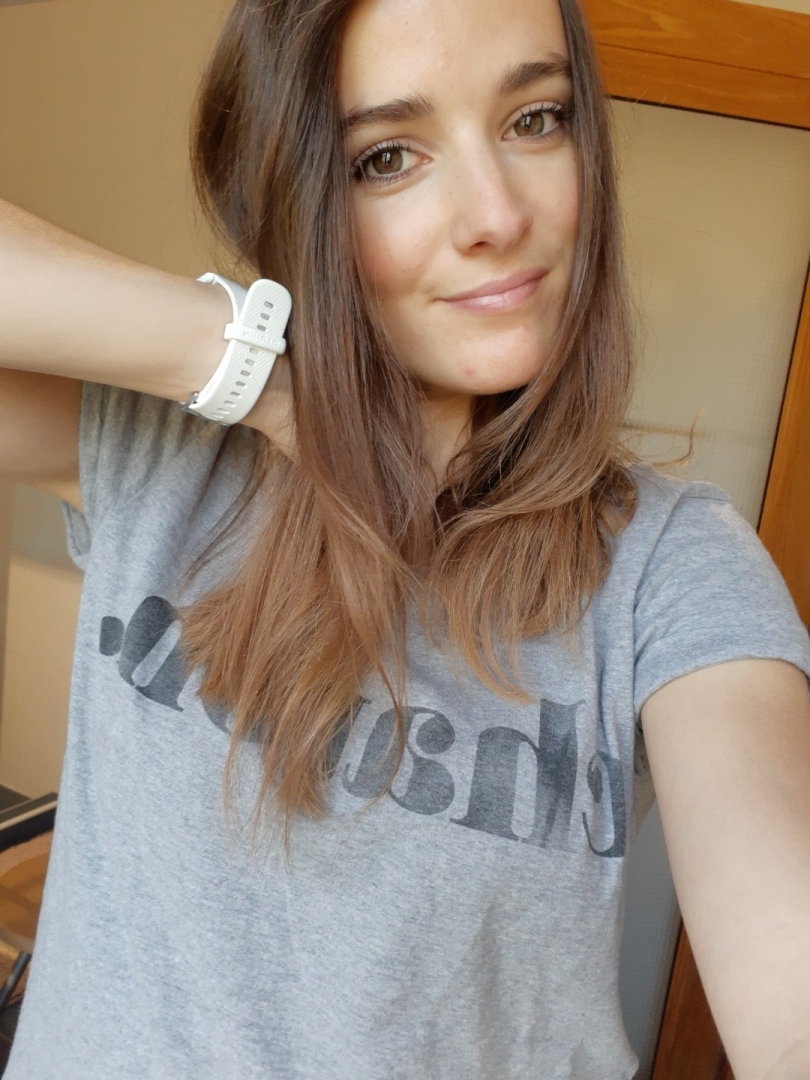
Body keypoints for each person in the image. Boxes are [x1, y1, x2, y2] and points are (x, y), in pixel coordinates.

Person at [0, 0, 808, 1076]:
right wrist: (249, 365)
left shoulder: (673, 570)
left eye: (535, 119)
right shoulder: (166, 453)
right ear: (294, 197)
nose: (497, 215)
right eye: (386, 157)